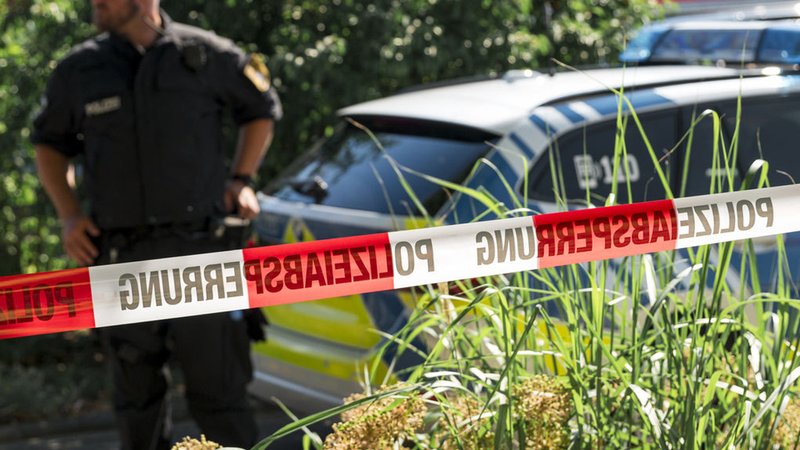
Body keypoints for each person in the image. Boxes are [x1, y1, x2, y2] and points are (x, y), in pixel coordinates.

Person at [32, 0, 282, 448]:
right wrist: (69, 216)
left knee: (222, 401)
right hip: (121, 258)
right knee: (137, 406)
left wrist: (242, 179)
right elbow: (49, 146)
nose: (95, 2)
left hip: (202, 256)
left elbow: (261, 109)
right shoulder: (79, 69)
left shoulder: (206, 54)